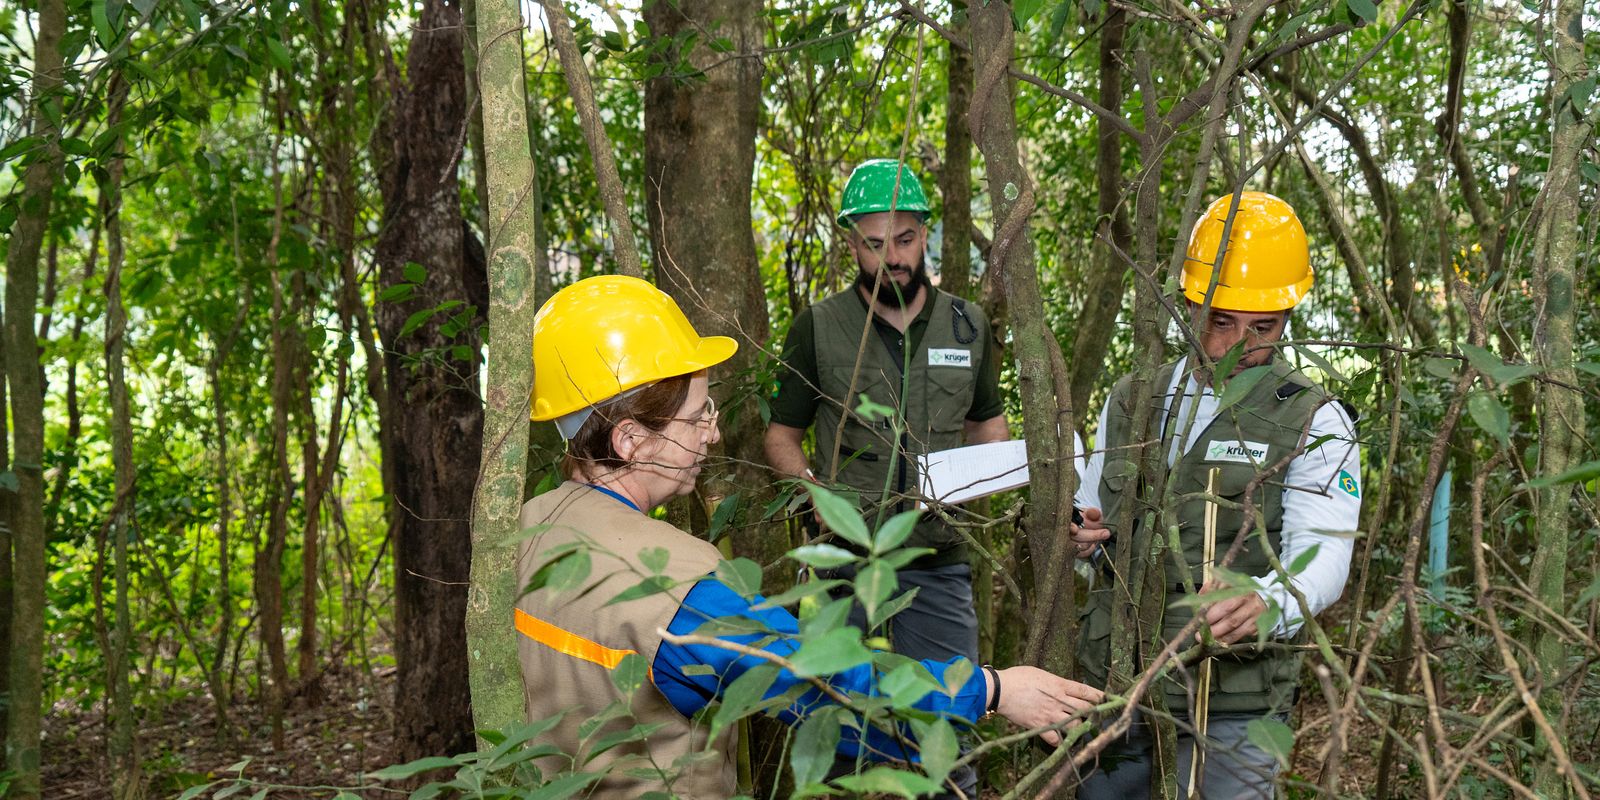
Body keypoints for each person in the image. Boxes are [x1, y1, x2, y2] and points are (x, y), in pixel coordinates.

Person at [516, 275, 1101, 798]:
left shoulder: (528, 527)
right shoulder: (674, 585)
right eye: (698, 416)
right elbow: (830, 695)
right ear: (629, 440)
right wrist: (991, 690)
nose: (712, 435)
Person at [1069, 191, 1363, 798]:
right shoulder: (1133, 398)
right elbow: (1093, 508)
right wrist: (1080, 533)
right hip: (1117, 684)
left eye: (1263, 327)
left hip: (1236, 700)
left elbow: (1324, 553)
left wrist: (1271, 602)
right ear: (1188, 305)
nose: (1237, 345)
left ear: (1287, 318)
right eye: (1219, 320)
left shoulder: (1316, 418)